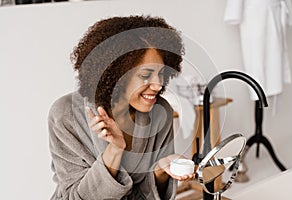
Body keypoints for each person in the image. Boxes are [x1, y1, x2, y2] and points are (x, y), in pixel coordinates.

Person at [48, 15, 194, 200]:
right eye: (146, 75)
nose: (158, 85)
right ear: (116, 74)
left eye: (162, 73)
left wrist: (160, 171)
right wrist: (115, 150)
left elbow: (146, 195)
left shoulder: (159, 111)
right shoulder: (66, 114)